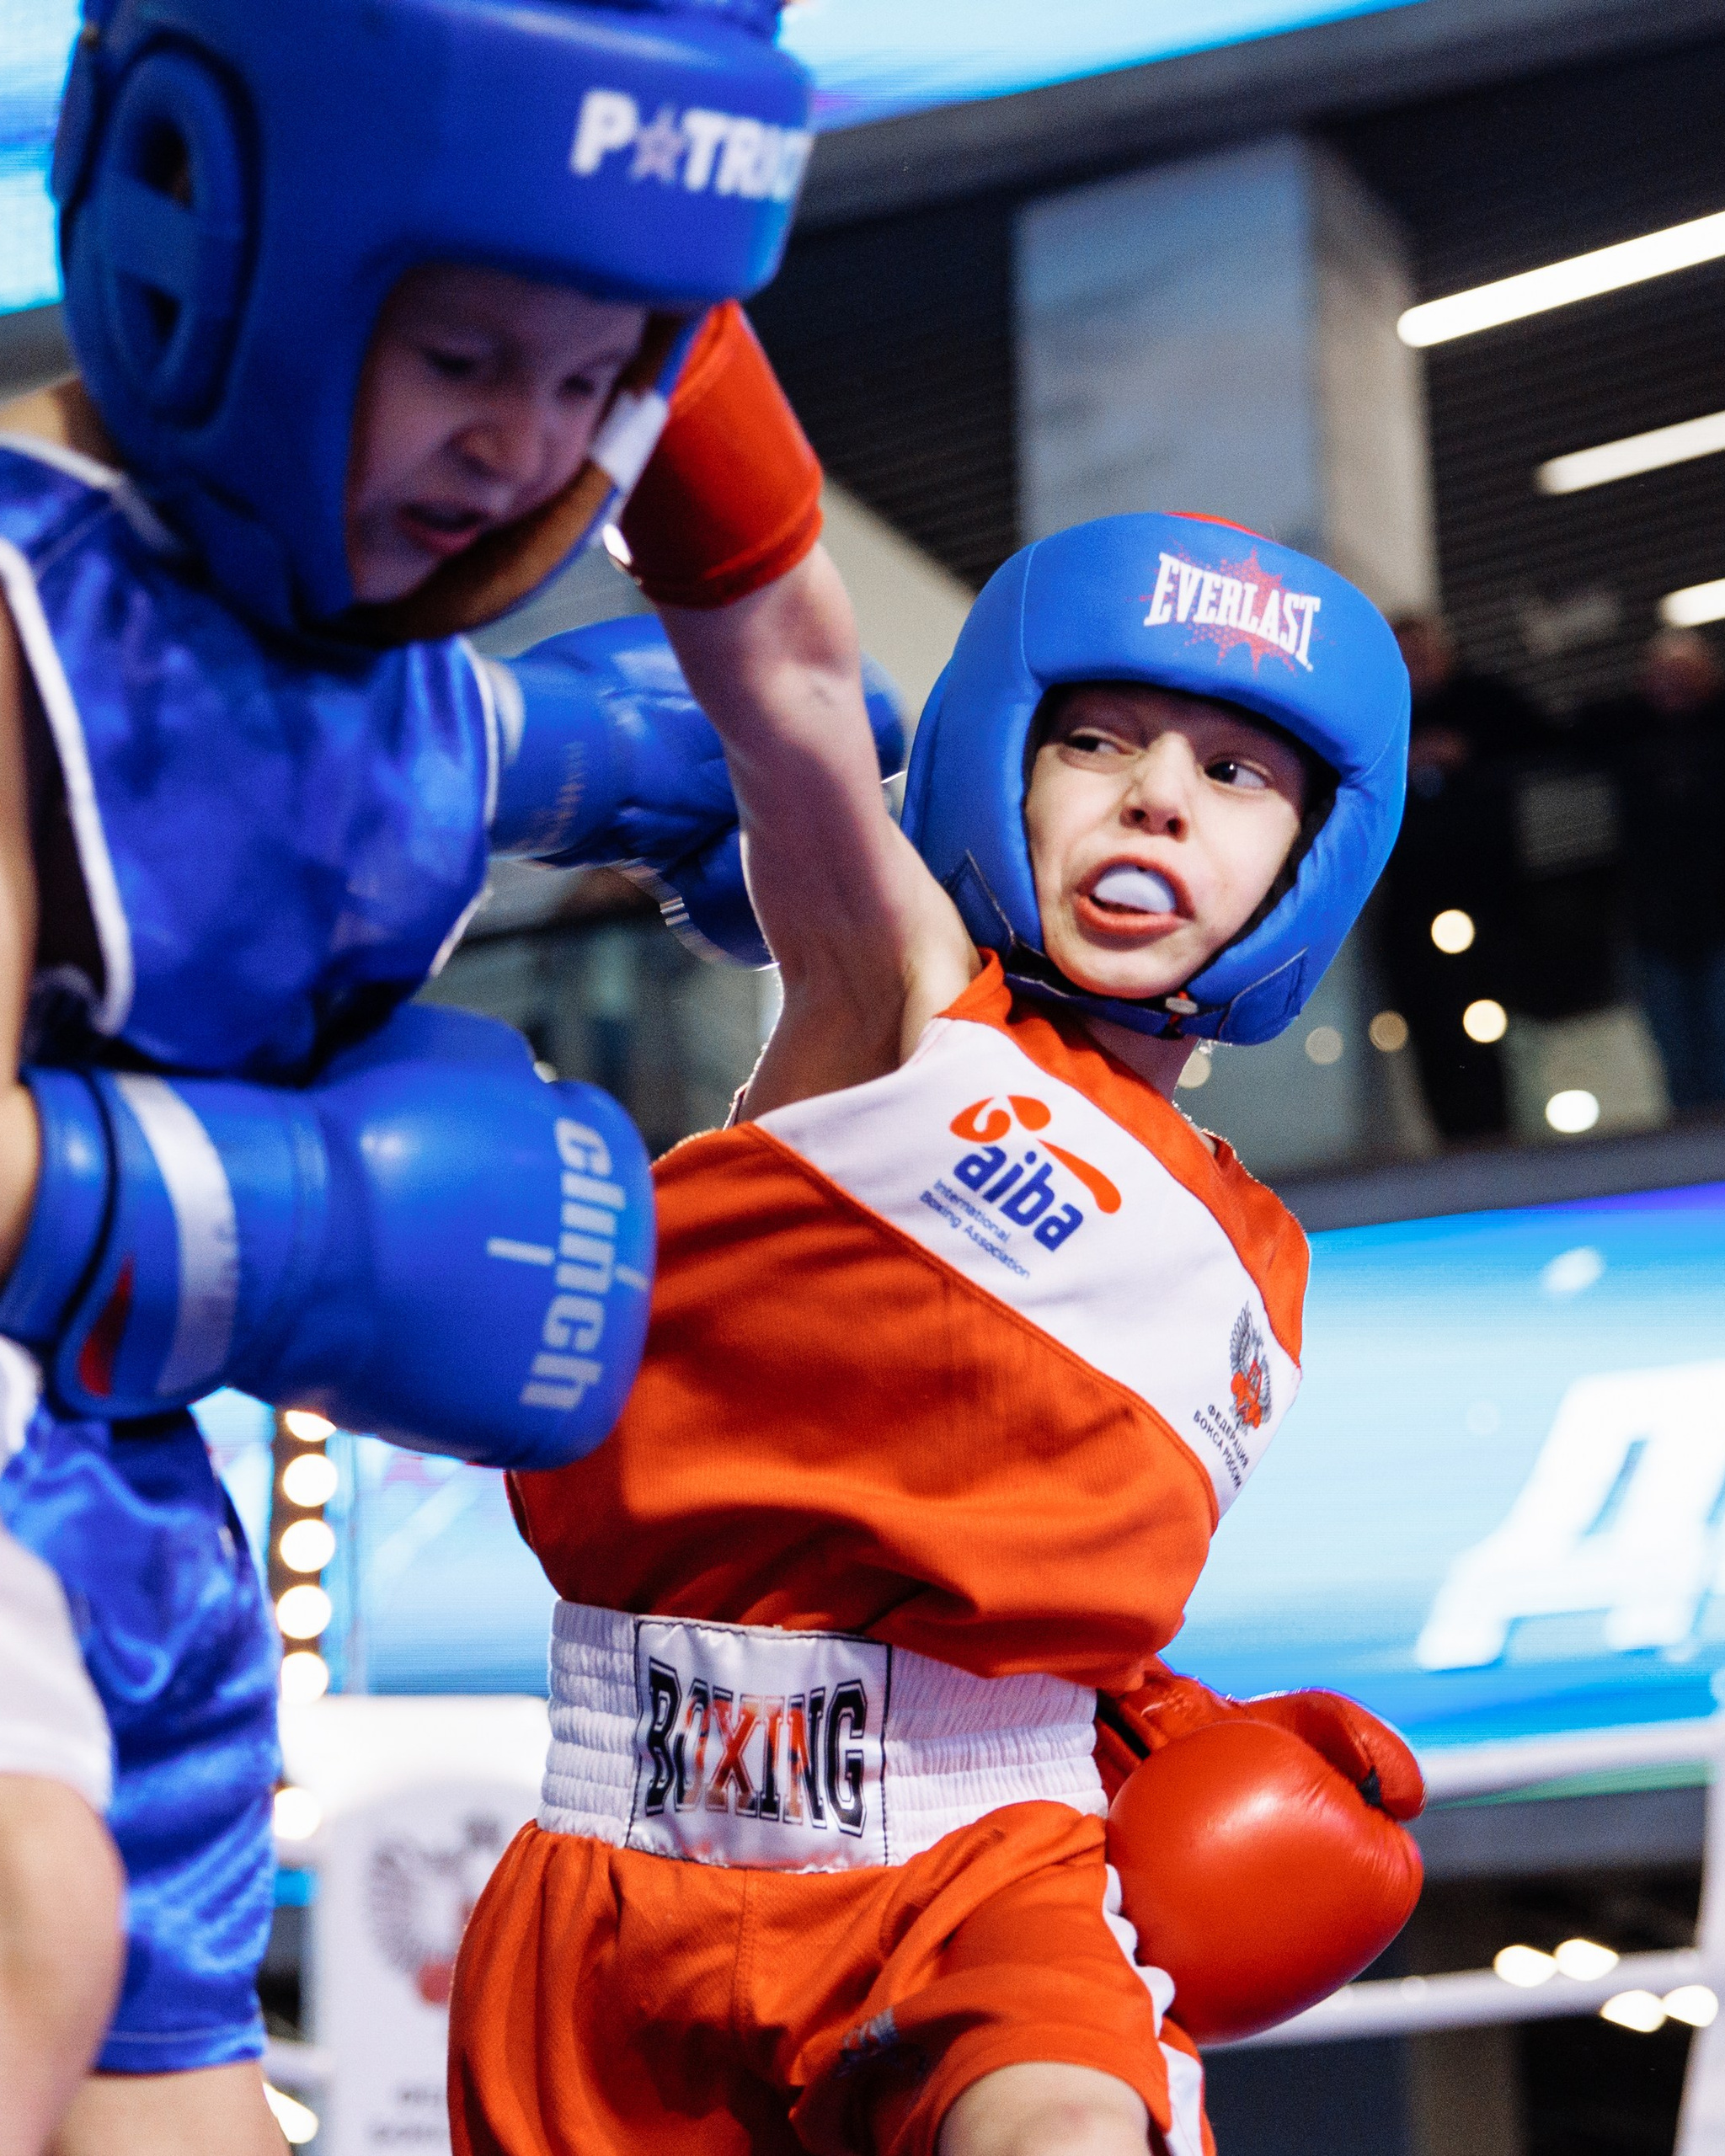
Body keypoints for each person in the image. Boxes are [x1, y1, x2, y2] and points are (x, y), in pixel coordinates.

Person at [0, 2, 884, 2150]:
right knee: (3, 1930)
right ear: (236, 259)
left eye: (585, 382)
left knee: (180, 2099)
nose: (520, 442)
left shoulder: (370, 668)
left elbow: (518, 752)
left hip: (113, 1445)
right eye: (465, 360)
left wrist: (723, 782)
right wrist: (339, 1228)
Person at [452, 514, 1421, 2156]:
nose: (1156, 798)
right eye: (1097, 741)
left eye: (1236, 773)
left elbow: (1014, 1533)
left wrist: (1149, 1723)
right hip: (615, 1854)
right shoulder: (893, 1007)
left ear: (1310, 853)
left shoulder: (1259, 1261)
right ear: (998, 764)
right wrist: (664, 340)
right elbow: (783, 686)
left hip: (971, 1863)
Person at [1370, 613, 1540, 1141]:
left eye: (1420, 652)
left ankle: (1515, 1134)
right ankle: (1457, 1143)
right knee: (1430, 1033)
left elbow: (1547, 744)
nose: (1413, 666)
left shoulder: (1485, 704)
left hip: (1491, 901)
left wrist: (1468, 754)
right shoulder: (1379, 722)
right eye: (1401, 657)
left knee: (1499, 1024)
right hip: (1409, 906)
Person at [1581, 627, 1725, 1111]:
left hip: (1717, 916)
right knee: (1678, 1062)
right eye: (1664, 675)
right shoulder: (1629, 734)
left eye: (1685, 674)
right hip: (1655, 925)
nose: (1675, 686)